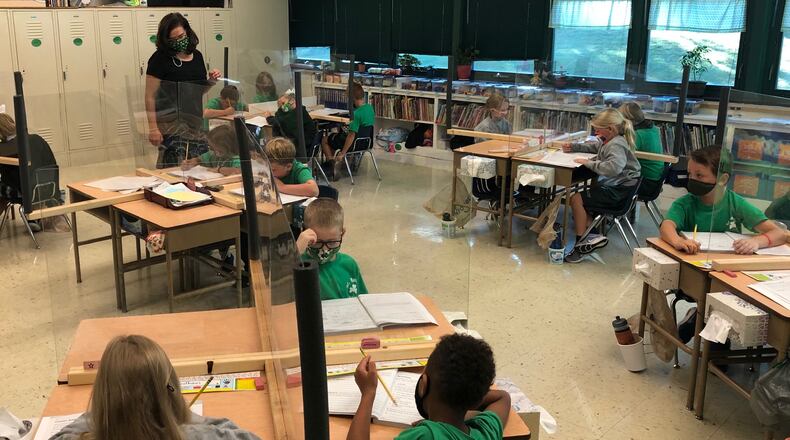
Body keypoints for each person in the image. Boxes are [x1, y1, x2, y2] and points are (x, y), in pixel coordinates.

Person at [50, 334, 261, 440]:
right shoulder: (202, 435)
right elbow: (236, 434)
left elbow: (72, 430)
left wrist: (116, 408)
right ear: (169, 390)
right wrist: (179, 415)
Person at [346, 333, 510, 440]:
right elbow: (503, 397)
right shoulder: (486, 434)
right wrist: (459, 411)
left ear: (423, 385)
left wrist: (368, 394)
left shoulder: (424, 435)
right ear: (477, 401)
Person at [660, 145, 785, 254]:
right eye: (689, 174)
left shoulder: (736, 203)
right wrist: (678, 241)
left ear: (723, 179)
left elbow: (778, 233)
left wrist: (756, 242)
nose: (692, 179)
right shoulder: (684, 203)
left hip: (727, 262)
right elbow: (667, 226)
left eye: (699, 175)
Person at [563, 108, 642, 263]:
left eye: (597, 129)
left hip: (619, 191)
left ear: (610, 129)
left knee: (576, 199)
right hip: (621, 188)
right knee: (579, 200)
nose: (596, 132)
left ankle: (582, 242)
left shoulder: (616, 145)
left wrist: (589, 163)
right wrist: (574, 147)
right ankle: (592, 235)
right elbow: (595, 148)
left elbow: (614, 168)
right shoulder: (610, 140)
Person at [145, 12, 222, 168]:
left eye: (180, 36)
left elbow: (198, 91)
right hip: (169, 122)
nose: (178, 42)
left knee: (196, 165)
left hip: (194, 121)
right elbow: (149, 96)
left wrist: (212, 81)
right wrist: (153, 128)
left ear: (187, 31)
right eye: (172, 40)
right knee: (172, 165)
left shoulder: (197, 56)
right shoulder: (159, 59)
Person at [296, 198, 367, 300]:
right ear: (304, 233)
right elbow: (277, 286)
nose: (325, 250)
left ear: (342, 233)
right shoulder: (299, 265)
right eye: (317, 242)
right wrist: (296, 250)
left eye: (332, 242)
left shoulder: (350, 264)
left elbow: (363, 299)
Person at [321, 82, 375, 180]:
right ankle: (335, 163)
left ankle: (331, 164)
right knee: (334, 139)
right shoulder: (369, 108)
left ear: (352, 98)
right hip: (365, 142)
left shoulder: (356, 114)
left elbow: (351, 136)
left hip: (353, 143)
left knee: (325, 139)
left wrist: (343, 153)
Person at [619, 102, 665, 197]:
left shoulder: (637, 135)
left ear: (627, 120)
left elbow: (621, 157)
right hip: (655, 180)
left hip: (645, 182)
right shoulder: (653, 128)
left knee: (607, 180)